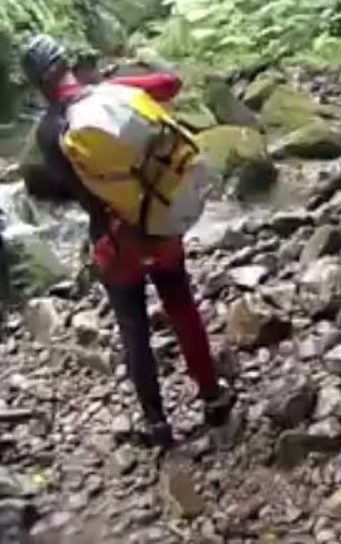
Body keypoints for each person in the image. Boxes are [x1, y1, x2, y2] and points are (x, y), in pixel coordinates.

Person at [20, 35, 233, 449]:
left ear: (38, 84)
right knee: (182, 308)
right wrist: (119, 82)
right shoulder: (110, 93)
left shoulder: (48, 132)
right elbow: (170, 84)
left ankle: (157, 425)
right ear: (68, 64)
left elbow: (66, 188)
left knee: (133, 328)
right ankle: (213, 398)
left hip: (114, 242)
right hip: (157, 221)